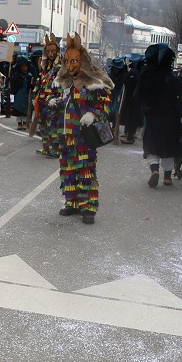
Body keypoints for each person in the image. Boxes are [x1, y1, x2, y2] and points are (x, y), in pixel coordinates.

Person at [55, 34, 113, 224]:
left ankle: (89, 206)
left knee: (85, 170)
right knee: (68, 169)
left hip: (83, 136)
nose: (70, 65)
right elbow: (69, 102)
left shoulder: (93, 82)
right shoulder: (68, 83)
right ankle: (72, 202)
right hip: (67, 135)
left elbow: (105, 104)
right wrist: (58, 102)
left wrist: (93, 114)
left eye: (74, 61)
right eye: (67, 61)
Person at [137, 44, 182, 187]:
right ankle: (167, 177)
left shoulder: (145, 78)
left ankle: (154, 170)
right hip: (171, 117)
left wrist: (145, 105)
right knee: (169, 145)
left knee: (151, 144)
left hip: (152, 115)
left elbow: (136, 95)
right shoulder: (175, 80)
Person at [31, 34, 62, 156]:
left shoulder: (61, 66)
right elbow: (40, 81)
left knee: (52, 126)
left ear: (57, 51)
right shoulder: (45, 66)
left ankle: (55, 150)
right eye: (48, 51)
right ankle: (46, 147)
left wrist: (57, 98)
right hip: (42, 99)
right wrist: (35, 95)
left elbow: (62, 83)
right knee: (43, 125)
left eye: (53, 51)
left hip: (53, 100)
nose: (50, 53)